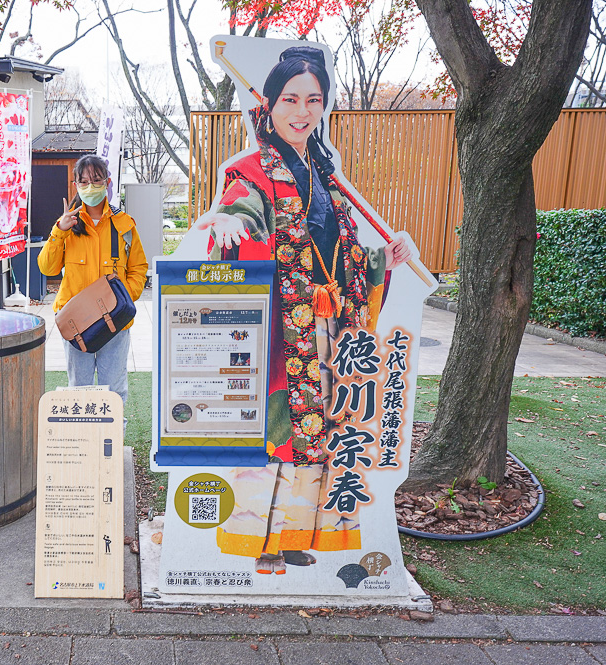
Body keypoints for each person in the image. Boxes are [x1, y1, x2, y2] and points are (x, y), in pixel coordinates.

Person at [195, 46, 411, 575]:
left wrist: (383, 257)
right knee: (277, 433)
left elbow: (341, 252)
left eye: (313, 100)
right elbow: (240, 206)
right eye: (290, 98)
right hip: (280, 335)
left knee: (317, 434)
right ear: (267, 105)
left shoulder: (325, 176)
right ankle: (257, 542)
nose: (302, 111)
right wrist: (231, 223)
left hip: (328, 331)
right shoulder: (249, 171)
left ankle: (295, 537)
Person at [38, 155, 148, 403]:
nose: (90, 186)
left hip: (115, 321)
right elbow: (47, 267)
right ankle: (83, 442)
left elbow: (139, 267)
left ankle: (112, 442)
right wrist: (59, 231)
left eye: (96, 180)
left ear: (107, 182)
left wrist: (124, 298)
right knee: (79, 390)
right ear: (75, 184)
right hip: (77, 322)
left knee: (115, 391)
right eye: (84, 181)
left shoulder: (124, 225)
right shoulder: (67, 225)